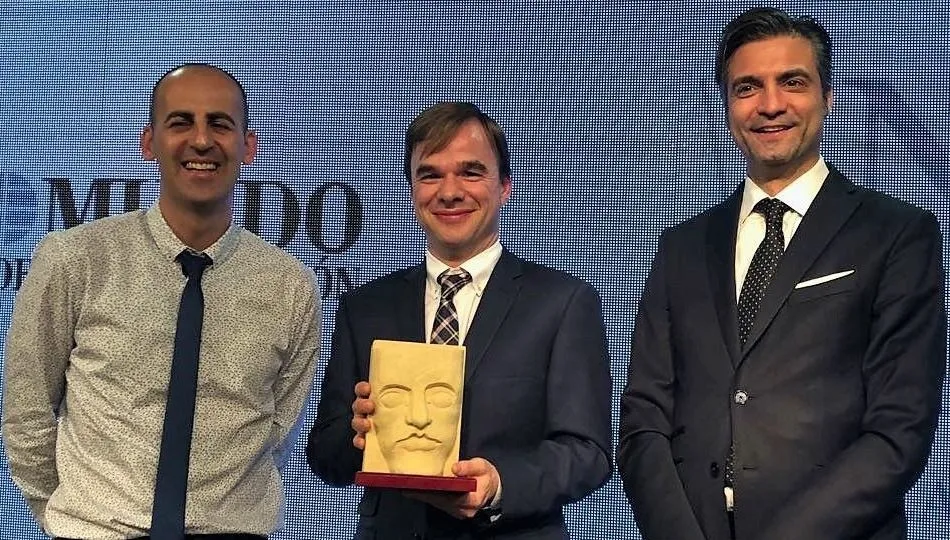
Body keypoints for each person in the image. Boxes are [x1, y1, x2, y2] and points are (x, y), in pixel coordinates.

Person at [617, 7, 946, 540]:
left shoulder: (897, 235)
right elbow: (643, 419)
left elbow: (898, 431)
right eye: (748, 87)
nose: (770, 105)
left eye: (792, 82)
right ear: (727, 108)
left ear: (827, 95)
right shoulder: (681, 246)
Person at [1, 63, 321, 539]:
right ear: (148, 142)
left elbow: (278, 433)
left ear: (247, 146)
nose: (201, 140)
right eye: (180, 122)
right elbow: (26, 413)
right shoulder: (74, 258)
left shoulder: (289, 286)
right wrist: (68, 518)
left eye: (220, 123)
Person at [307, 101, 611, 539]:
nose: (449, 192)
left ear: (504, 185)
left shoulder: (561, 303)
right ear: (411, 190)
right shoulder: (365, 307)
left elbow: (588, 452)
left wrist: (499, 484)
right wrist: (355, 438)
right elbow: (325, 455)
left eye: (471, 172)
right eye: (430, 174)